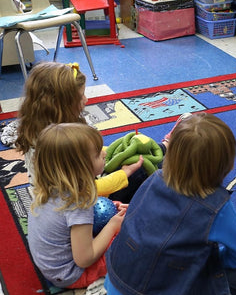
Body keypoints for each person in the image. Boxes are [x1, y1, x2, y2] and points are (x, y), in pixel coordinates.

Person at [104, 113, 236, 295]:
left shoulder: (155, 177)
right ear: (227, 164)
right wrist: (211, 260)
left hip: (116, 286)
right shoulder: (216, 207)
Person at [15, 61, 144, 201]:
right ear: (60, 104)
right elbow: (85, 190)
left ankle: (164, 146)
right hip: (73, 204)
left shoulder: (43, 126)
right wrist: (124, 174)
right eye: (81, 96)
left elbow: (86, 152)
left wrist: (118, 151)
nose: (86, 99)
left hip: (76, 191)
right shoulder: (57, 143)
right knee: (140, 174)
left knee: (132, 157)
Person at [27, 123, 127, 288]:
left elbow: (65, 219)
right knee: (131, 239)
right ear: (79, 168)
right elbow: (85, 258)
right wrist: (113, 225)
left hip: (51, 265)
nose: (105, 153)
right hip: (71, 274)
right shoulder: (78, 202)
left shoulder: (48, 187)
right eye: (97, 154)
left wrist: (109, 209)